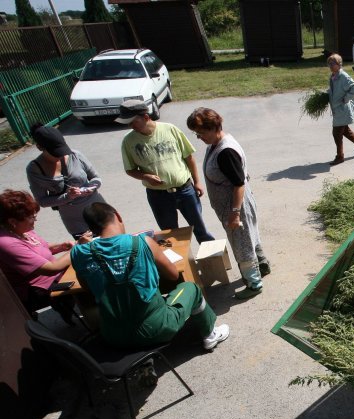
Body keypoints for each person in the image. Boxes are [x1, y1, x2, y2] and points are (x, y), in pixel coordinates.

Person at [70, 202, 229, 350]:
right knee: (191, 288)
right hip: (155, 330)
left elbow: (87, 288)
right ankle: (210, 334)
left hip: (114, 336)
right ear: (118, 216)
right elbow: (173, 275)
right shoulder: (142, 242)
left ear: (91, 229)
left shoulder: (79, 252)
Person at [186, 107, 271, 300]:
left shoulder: (226, 151)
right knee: (250, 237)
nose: (198, 137)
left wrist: (235, 213)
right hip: (234, 204)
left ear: (214, 127)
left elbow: (239, 184)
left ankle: (254, 283)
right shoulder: (216, 144)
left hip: (236, 205)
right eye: (196, 134)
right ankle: (263, 265)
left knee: (242, 245)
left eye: (201, 133)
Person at [116, 100, 215, 244]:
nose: (130, 125)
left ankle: (213, 264)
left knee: (200, 230)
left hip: (185, 190)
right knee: (170, 236)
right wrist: (145, 176)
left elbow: (189, 157)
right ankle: (183, 265)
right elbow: (130, 170)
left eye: (133, 121)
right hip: (158, 196)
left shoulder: (170, 129)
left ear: (145, 117)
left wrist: (197, 182)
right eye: (128, 123)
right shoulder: (128, 141)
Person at [0, 189, 81, 322]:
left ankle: (69, 306)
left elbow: (40, 247)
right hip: (37, 289)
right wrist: (78, 248)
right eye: (31, 217)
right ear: (12, 221)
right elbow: (51, 269)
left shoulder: (21, 230)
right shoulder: (6, 243)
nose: (35, 219)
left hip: (53, 277)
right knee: (87, 278)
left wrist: (61, 246)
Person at [26, 124, 106, 239]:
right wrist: (67, 197)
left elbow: (96, 178)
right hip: (76, 222)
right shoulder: (34, 169)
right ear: (39, 147)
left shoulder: (75, 155)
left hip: (100, 211)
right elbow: (42, 201)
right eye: (55, 152)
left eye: (62, 149)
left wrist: (90, 187)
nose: (61, 155)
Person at [327, 53, 354, 166]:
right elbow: (334, 90)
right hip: (337, 109)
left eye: (332, 63)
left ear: (339, 64)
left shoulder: (343, 76)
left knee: (336, 133)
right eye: (329, 63)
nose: (330, 65)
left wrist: (346, 99)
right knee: (345, 131)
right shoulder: (334, 76)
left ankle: (340, 156)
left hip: (342, 109)